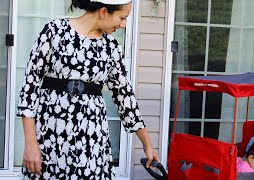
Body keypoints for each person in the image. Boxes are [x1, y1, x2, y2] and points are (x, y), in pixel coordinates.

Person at [16, 0, 159, 179]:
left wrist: (147, 144)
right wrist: (30, 144)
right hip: (50, 136)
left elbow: (125, 99)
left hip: (91, 141)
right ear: (104, 12)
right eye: (122, 18)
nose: (123, 25)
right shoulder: (54, 31)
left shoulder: (111, 48)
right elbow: (29, 88)